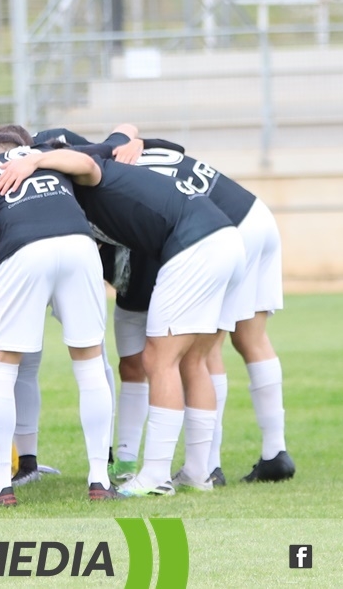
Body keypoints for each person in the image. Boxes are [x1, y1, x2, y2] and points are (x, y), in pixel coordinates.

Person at [0, 128, 245, 495]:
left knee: (159, 360)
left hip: (196, 245)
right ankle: (197, 470)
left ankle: (156, 474)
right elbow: (125, 132)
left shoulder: (86, 169)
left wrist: (34, 158)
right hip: (222, 238)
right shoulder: (88, 177)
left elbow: (82, 161)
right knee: (194, 361)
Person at [97, 129, 295, 484]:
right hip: (256, 213)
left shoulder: (115, 177)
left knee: (200, 352)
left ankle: (208, 465)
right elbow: (169, 146)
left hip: (226, 230)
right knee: (252, 340)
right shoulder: (137, 152)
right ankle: (274, 450)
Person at [0, 130, 117, 505]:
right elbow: (90, 165)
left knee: (3, 366)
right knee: (89, 364)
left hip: (23, 251)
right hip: (80, 246)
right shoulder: (47, 155)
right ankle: (100, 481)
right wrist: (39, 159)